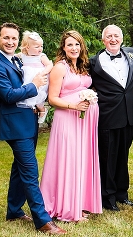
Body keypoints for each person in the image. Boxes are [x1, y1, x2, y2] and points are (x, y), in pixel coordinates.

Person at [0, 22, 66, 234]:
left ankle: (14, 210)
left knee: (19, 168)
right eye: (6, 38)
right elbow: (9, 96)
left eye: (13, 38)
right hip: (15, 124)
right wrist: (35, 85)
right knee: (30, 171)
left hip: (29, 119)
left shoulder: (13, 60)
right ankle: (43, 220)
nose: (10, 42)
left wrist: (37, 103)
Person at [40, 30, 102, 222]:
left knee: (81, 160)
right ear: (63, 48)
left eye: (77, 44)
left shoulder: (83, 67)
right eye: (70, 45)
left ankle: (79, 203)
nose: (74, 48)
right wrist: (74, 105)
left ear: (81, 46)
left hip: (84, 122)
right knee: (69, 160)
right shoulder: (60, 67)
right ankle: (66, 208)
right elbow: (52, 99)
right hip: (67, 119)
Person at [89, 24, 133, 211]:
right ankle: (107, 197)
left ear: (122, 38)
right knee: (108, 158)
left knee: (123, 157)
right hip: (107, 117)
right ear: (103, 40)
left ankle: (122, 194)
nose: (113, 39)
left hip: (129, 116)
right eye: (109, 36)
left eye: (116, 36)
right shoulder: (93, 62)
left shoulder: (132, 54)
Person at [15, 31, 53, 123]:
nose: (40, 49)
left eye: (41, 46)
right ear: (27, 47)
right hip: (28, 80)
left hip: (40, 78)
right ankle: (31, 109)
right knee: (28, 96)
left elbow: (50, 65)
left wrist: (43, 73)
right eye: (37, 47)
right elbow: (13, 56)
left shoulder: (41, 56)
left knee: (39, 97)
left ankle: (42, 110)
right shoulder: (23, 55)